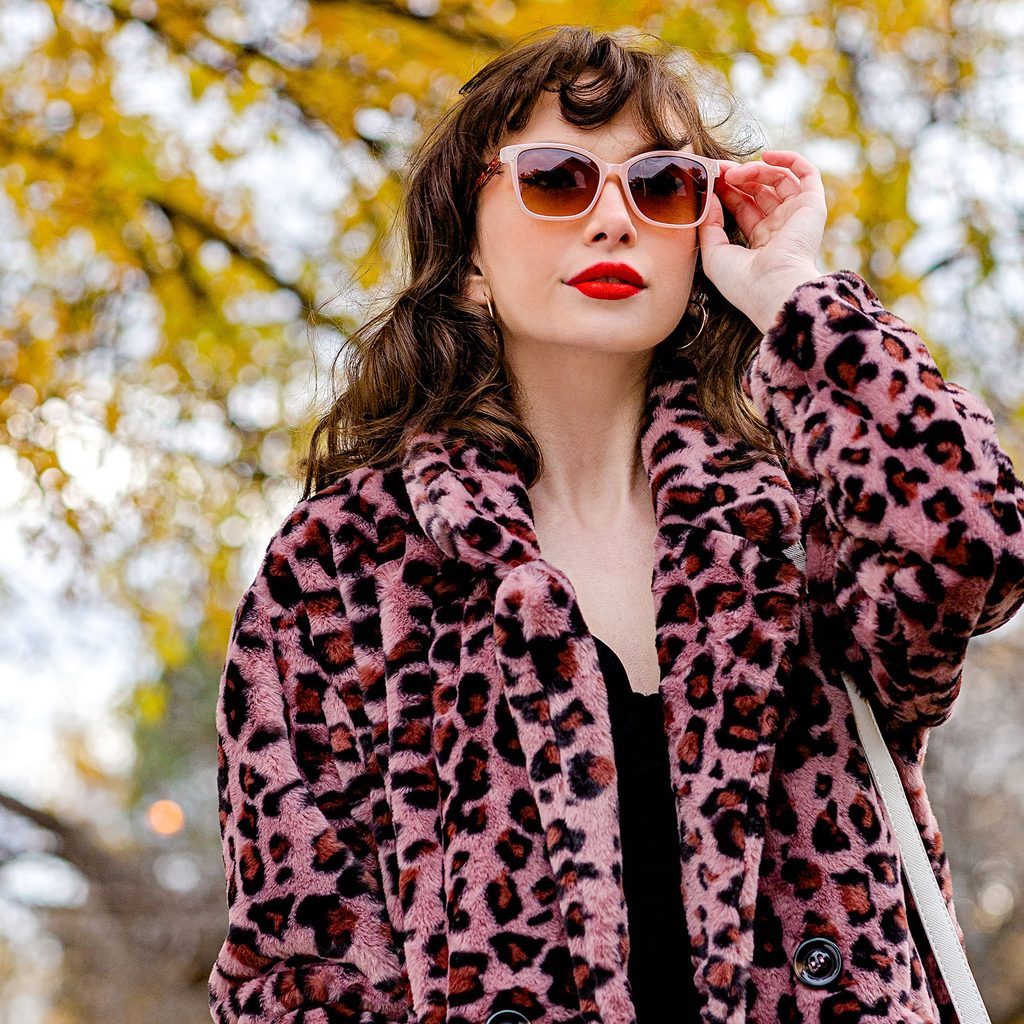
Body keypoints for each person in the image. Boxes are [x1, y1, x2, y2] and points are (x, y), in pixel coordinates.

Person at [207, 25, 1024, 1024]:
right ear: (466, 256)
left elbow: (973, 535)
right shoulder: (344, 566)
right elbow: (302, 975)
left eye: (661, 186)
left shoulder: (799, 521)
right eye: (557, 179)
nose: (612, 220)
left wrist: (794, 293)